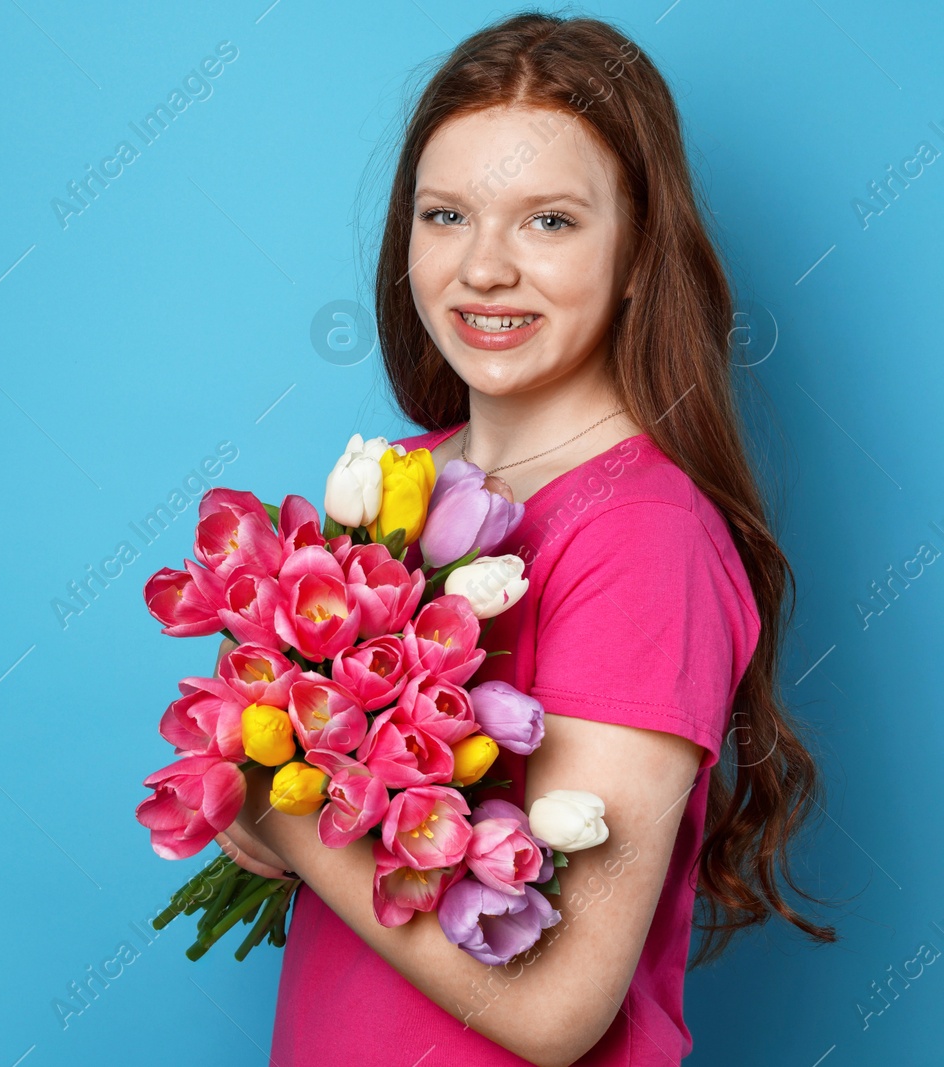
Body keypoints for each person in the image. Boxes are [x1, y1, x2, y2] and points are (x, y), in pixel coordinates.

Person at [213, 12, 835, 1066]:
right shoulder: (396, 485)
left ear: (638, 249)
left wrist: (283, 817)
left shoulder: (646, 542)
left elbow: (555, 1005)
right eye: (447, 214)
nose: (484, 267)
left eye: (547, 221)